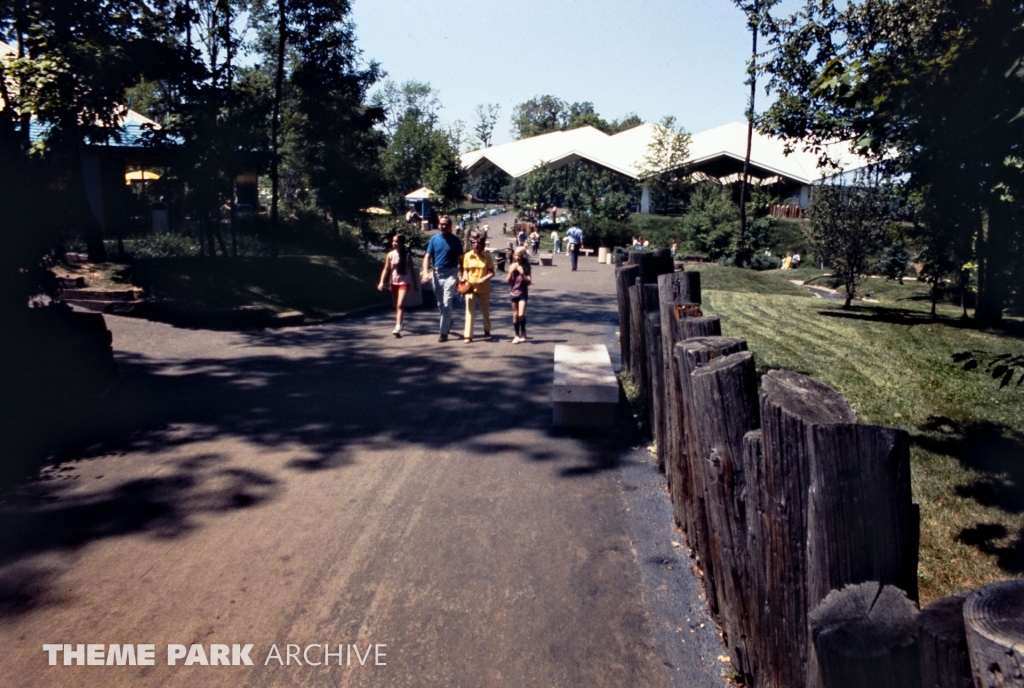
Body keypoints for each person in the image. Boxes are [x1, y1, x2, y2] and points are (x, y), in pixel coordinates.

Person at [421, 215, 463, 342]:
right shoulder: (434, 239)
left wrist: (463, 273)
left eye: (446, 224)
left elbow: (462, 259)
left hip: (451, 273)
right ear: (438, 225)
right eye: (441, 224)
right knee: (440, 303)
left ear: (449, 226)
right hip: (437, 273)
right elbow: (427, 257)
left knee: (447, 301)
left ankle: (443, 333)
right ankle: (448, 320)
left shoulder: (455, 240)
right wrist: (425, 272)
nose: (443, 226)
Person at [377, 233, 419, 337]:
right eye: (393, 241)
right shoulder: (390, 255)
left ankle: (398, 326)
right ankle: (400, 322)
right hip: (393, 282)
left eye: (397, 241)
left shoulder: (407, 255)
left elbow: (412, 271)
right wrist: (382, 281)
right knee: (396, 305)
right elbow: (386, 269)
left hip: (404, 282)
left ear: (401, 243)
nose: (394, 243)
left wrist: (415, 284)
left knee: (400, 305)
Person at [461, 230, 495, 343]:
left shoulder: (487, 256)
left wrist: (483, 279)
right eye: (474, 242)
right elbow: (465, 270)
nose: (476, 244)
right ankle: (468, 335)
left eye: (479, 242)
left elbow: (492, 272)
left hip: (483, 287)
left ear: (483, 243)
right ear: (471, 243)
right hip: (470, 287)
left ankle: (487, 329)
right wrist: (464, 278)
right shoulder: (467, 256)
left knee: (485, 311)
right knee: (469, 311)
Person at [507, 246, 532, 344]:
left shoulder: (526, 266)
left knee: (521, 314)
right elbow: (508, 281)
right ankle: (516, 335)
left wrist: (522, 274)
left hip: (523, 293)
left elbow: (529, 282)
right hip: (513, 293)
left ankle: (523, 331)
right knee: (515, 314)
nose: (517, 257)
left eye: (520, 255)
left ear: (523, 256)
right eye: (516, 255)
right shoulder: (512, 266)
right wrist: (510, 272)